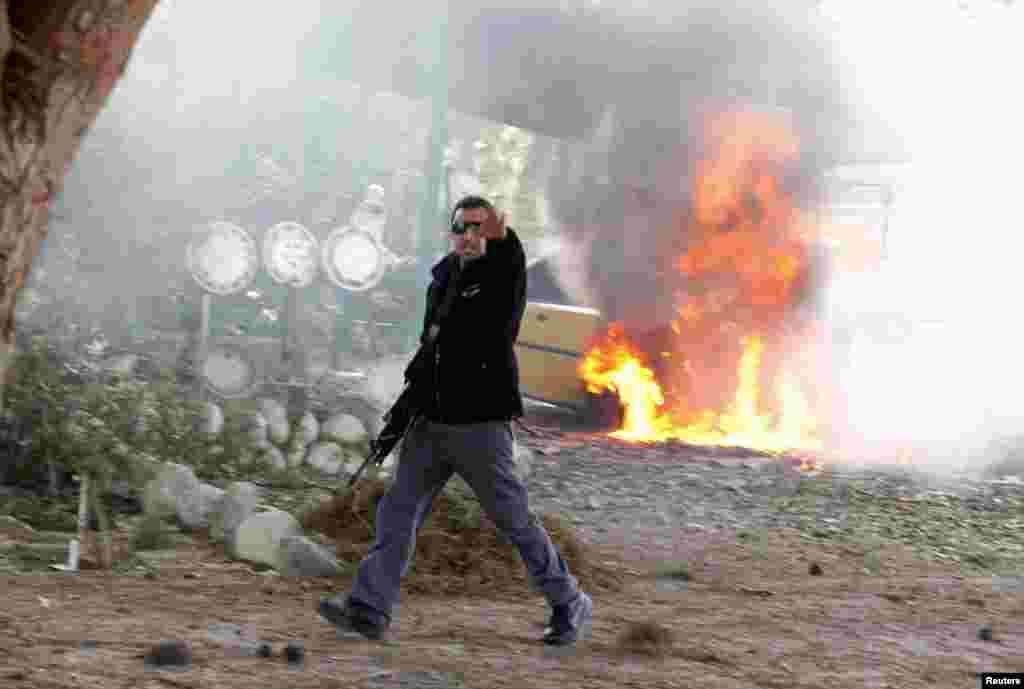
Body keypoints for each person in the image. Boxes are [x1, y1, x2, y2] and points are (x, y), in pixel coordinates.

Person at [317, 195, 593, 646]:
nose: (469, 236)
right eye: (461, 228)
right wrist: (404, 413)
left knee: (514, 521)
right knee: (397, 512)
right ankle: (369, 609)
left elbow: (508, 256)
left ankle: (568, 600)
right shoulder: (443, 279)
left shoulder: (503, 278)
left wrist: (500, 235)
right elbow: (432, 351)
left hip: (479, 427)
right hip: (429, 422)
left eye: (479, 229)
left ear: (493, 234)